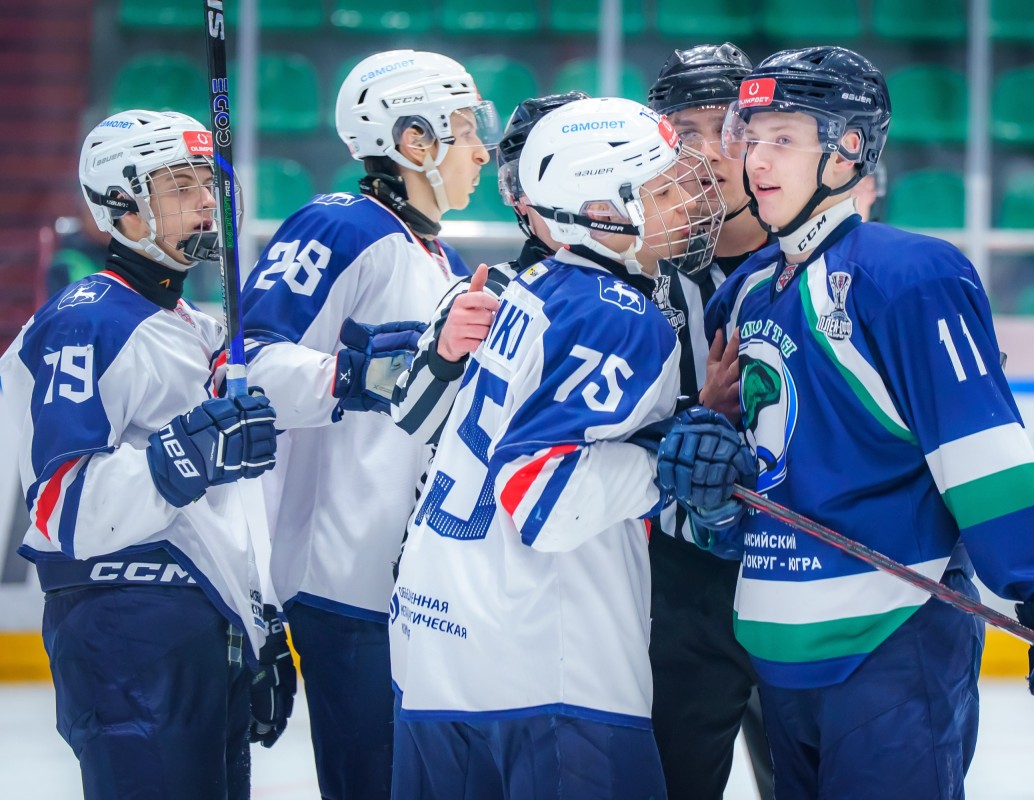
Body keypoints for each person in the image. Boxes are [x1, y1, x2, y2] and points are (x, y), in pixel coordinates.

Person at [657, 46, 1034, 799]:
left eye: (784, 138)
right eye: (750, 136)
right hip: (777, 642)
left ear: (848, 148)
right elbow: (762, 476)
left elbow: (980, 455)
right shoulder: (745, 293)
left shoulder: (912, 276)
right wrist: (712, 480)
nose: (757, 159)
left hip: (891, 637)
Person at [389, 97, 720, 800]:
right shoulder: (620, 315)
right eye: (662, 191)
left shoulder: (529, 288)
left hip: (436, 650)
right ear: (602, 211)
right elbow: (546, 499)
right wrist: (667, 460)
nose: (688, 204)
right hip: (551, 668)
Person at [0, 110, 289, 799]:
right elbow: (61, 507)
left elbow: (223, 509)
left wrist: (259, 628)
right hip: (125, 627)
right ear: (121, 203)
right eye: (180, 187)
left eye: (207, 184)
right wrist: (184, 454)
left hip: (202, 620)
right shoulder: (85, 322)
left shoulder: (192, 326)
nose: (205, 202)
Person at [238, 51, 498, 800]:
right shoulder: (339, 224)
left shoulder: (438, 255)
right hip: (346, 584)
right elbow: (246, 365)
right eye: (464, 130)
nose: (481, 151)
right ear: (415, 141)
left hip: (412, 583)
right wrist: (357, 376)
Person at [644, 42, 777, 800]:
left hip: (801, 568)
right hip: (681, 584)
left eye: (726, 128)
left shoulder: (825, 273)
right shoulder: (632, 280)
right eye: (683, 132)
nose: (707, 153)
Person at [385, 91, 588, 442]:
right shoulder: (487, 294)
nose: (568, 202)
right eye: (543, 182)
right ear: (518, 198)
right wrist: (446, 355)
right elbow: (414, 422)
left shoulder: (659, 282)